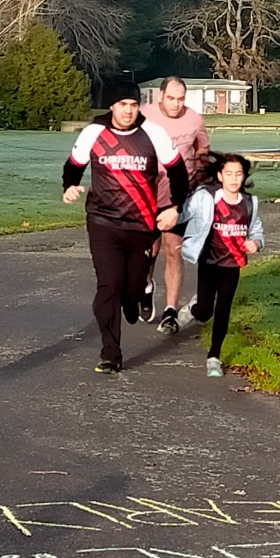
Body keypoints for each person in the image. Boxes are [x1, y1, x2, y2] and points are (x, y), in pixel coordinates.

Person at [62, 81, 189, 375]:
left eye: (133, 105)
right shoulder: (94, 132)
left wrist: (174, 208)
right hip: (102, 221)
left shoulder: (153, 133)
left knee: (131, 288)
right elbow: (74, 166)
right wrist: (69, 186)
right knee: (108, 286)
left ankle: (139, 292)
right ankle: (110, 353)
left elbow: (178, 172)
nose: (128, 111)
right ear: (112, 106)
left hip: (141, 224)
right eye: (122, 105)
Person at [176, 153, 264, 377]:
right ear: (220, 176)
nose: (234, 179)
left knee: (223, 308)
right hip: (209, 261)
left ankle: (214, 356)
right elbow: (183, 214)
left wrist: (256, 243)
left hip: (232, 264)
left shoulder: (249, 203)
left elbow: (256, 231)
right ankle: (193, 309)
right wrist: (170, 214)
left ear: (244, 176)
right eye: (229, 174)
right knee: (205, 311)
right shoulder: (206, 197)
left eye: (238, 174)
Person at [140, 76, 210, 334]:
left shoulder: (194, 120)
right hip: (148, 194)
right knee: (149, 250)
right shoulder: (144, 115)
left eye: (180, 99)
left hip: (179, 196)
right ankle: (146, 285)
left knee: (173, 250)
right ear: (160, 96)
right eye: (171, 98)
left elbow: (203, 149)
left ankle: (170, 310)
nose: (176, 104)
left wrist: (200, 176)